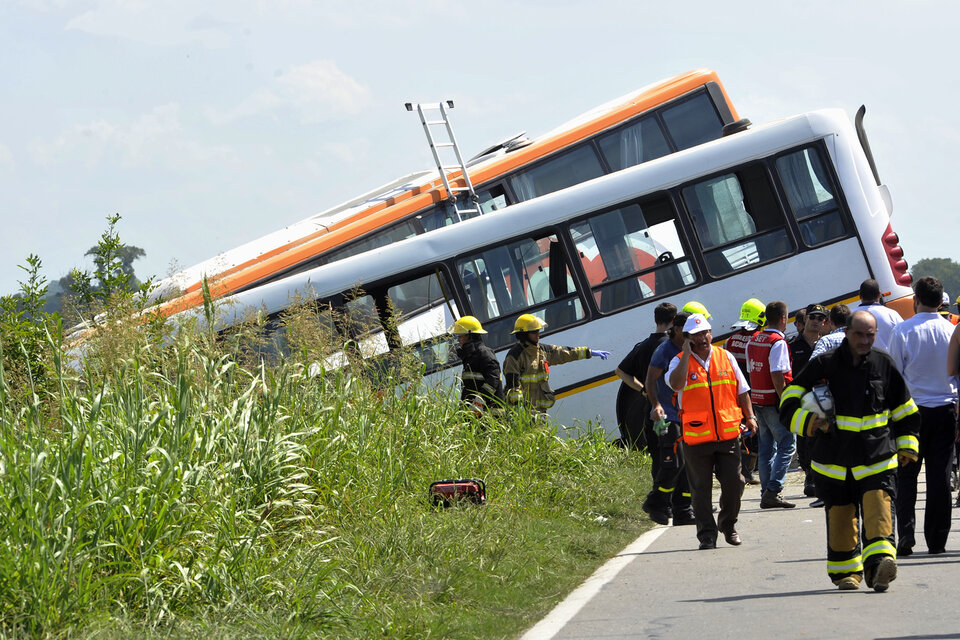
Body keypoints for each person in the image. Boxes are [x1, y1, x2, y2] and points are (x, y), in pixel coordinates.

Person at [780, 310, 920, 591]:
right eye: (859, 334)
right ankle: (847, 573)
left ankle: (881, 566)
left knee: (879, 511)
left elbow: (905, 409)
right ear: (846, 332)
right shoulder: (824, 364)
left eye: (870, 335)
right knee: (842, 517)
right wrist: (809, 423)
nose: (865, 340)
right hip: (834, 461)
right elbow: (788, 399)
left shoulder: (884, 364)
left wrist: (907, 446)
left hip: (876, 458)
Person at [667, 313, 758, 550]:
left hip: (728, 434)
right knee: (700, 490)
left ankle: (728, 525)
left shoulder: (725, 356)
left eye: (706, 332)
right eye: (696, 334)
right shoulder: (678, 361)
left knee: (735, 482)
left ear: (711, 333)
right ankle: (707, 535)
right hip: (696, 439)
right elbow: (676, 385)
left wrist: (750, 416)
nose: (703, 337)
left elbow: (742, 390)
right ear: (687, 338)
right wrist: (687, 354)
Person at [887, 277, 959, 556]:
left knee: (906, 475)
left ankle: (905, 533)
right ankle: (937, 539)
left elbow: (894, 378)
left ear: (915, 299)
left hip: (911, 413)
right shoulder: (951, 330)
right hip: (945, 410)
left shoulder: (902, 330)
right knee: (940, 477)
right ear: (941, 301)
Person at [642, 311, 694, 526]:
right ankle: (656, 501)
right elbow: (650, 380)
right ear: (676, 329)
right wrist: (656, 405)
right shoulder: (664, 350)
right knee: (674, 463)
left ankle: (684, 511)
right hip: (668, 415)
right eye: (685, 330)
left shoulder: (693, 348)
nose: (690, 334)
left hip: (688, 415)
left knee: (688, 465)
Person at [503, 314, 609, 414]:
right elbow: (512, 384)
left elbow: (563, 353)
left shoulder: (542, 350)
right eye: (534, 332)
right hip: (523, 412)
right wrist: (519, 407)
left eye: (538, 331)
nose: (538, 334)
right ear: (524, 334)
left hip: (539, 412)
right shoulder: (515, 356)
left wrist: (588, 352)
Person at [746, 300, 796, 509]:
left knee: (766, 447)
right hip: (774, 402)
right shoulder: (777, 342)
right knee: (787, 444)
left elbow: (750, 369)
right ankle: (774, 489)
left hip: (758, 400)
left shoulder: (755, 339)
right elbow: (778, 375)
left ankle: (766, 491)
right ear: (783, 319)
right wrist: (785, 401)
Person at [615, 302, 676, 450]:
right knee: (672, 450)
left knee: (657, 452)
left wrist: (643, 390)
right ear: (673, 320)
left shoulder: (642, 346)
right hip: (670, 407)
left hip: (651, 408)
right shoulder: (671, 346)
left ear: (656, 320)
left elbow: (620, 371)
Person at [789, 303, 827, 504]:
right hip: (803, 398)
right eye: (813, 317)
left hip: (824, 399)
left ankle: (817, 478)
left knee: (822, 439)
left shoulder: (826, 343)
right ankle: (808, 475)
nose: (816, 321)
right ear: (805, 320)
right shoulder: (793, 345)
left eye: (820, 318)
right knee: (804, 440)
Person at [725, 297, 765, 485]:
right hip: (751, 392)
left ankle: (741, 469)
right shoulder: (756, 339)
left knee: (739, 430)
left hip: (732, 392)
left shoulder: (730, 340)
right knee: (752, 431)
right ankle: (748, 471)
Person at [450, 316, 505, 413]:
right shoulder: (470, 356)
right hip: (476, 413)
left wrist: (479, 404)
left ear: (470, 335)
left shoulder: (484, 354)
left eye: (461, 336)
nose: (458, 340)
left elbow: (493, 380)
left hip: (490, 415)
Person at [856, 278, 903, 352]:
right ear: (879, 294)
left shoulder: (851, 317)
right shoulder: (892, 314)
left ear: (860, 296)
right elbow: (904, 339)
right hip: (890, 361)